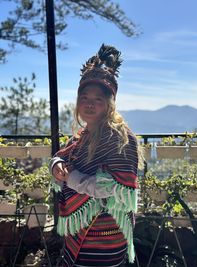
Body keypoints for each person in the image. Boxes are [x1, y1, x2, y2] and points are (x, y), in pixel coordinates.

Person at [49, 44, 141, 267]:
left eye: (98, 98)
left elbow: (110, 187)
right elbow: (61, 155)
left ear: (109, 103)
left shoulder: (119, 138)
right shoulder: (83, 135)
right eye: (84, 97)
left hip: (105, 236)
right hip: (80, 232)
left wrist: (71, 178)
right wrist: (57, 165)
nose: (89, 103)